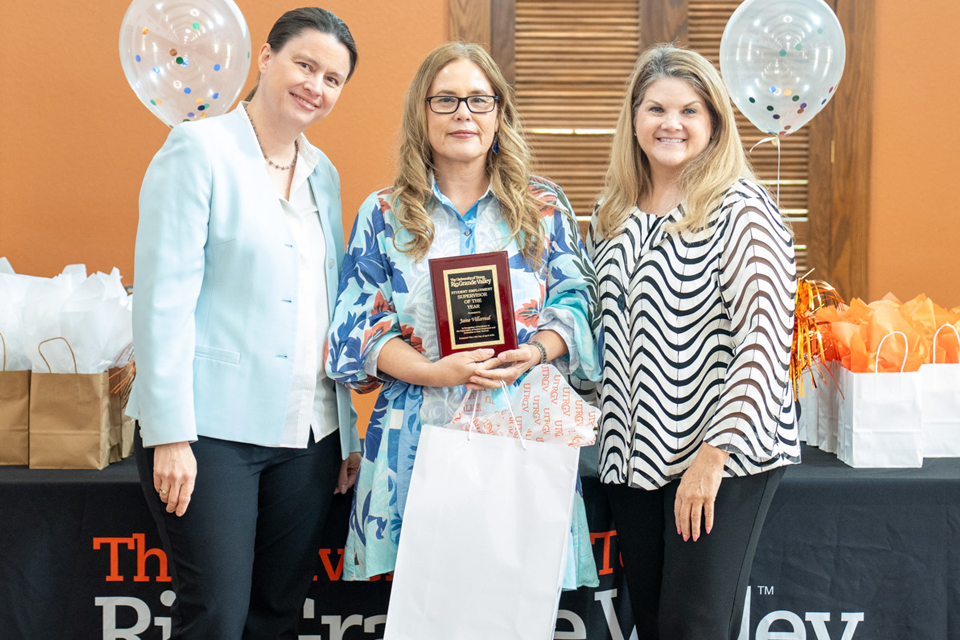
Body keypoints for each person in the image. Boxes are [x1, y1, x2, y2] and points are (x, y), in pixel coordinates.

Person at [325, 42, 601, 589]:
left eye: (479, 100)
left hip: (523, 431)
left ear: (500, 114)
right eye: (446, 100)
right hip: (416, 438)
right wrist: (433, 372)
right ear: (421, 114)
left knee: (514, 608)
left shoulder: (543, 207)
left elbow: (578, 300)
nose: (463, 114)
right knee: (428, 610)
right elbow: (358, 325)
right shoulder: (383, 214)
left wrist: (537, 350)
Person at [127, 8, 361, 639]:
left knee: (277, 616)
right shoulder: (197, 149)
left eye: (333, 78)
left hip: (307, 438)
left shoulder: (325, 175)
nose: (316, 85)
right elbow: (160, 301)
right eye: (305, 64)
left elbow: (328, 303)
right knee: (218, 618)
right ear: (265, 57)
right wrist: (168, 433)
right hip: (210, 434)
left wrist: (344, 431)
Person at [589, 45, 800, 639]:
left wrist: (713, 458)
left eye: (689, 110)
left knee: (694, 627)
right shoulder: (612, 213)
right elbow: (599, 332)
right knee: (656, 624)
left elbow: (762, 344)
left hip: (720, 456)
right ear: (634, 118)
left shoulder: (740, 210)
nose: (671, 124)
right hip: (634, 455)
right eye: (655, 108)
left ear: (714, 122)